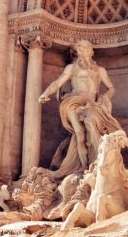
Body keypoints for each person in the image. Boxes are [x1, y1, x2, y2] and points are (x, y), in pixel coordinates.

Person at [39, 39, 122, 176]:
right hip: (73, 101)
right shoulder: (71, 68)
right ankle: (84, 167)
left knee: (91, 125)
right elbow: (58, 83)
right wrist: (45, 93)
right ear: (77, 52)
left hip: (91, 103)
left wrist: (104, 97)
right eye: (80, 49)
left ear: (91, 51)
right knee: (79, 133)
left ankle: (99, 161)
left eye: (86, 48)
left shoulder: (100, 70)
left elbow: (111, 88)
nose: (83, 51)